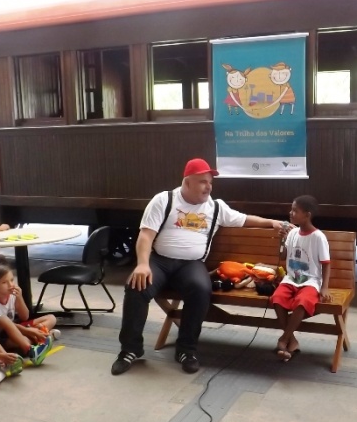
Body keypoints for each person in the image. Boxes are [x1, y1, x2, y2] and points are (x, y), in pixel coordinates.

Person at [111, 158, 285, 375]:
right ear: (187, 182)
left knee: (201, 290)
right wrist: (143, 264)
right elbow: (145, 236)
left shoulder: (216, 207)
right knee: (137, 287)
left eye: (210, 182)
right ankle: (130, 349)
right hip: (160, 261)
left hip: (191, 265)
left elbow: (244, 219)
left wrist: (271, 222)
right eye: (203, 182)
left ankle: (186, 350)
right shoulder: (164, 200)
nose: (208, 187)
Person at [270, 195, 330, 361]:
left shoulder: (318, 237)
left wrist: (324, 287)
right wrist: (282, 239)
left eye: (295, 211)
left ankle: (283, 340)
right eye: (291, 210)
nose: (291, 213)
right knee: (277, 298)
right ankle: (292, 340)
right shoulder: (292, 233)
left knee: (302, 302)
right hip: (291, 279)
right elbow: (282, 256)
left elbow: (326, 264)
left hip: (310, 281)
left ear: (307, 215)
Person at [0, 264, 59, 342]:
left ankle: (38, 334)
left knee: (51, 318)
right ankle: (44, 334)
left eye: (12, 280)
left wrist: (19, 297)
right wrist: (27, 331)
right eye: (4, 282)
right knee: (22, 340)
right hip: (4, 334)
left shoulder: (12, 295)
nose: (10, 285)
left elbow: (24, 317)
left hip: (17, 327)